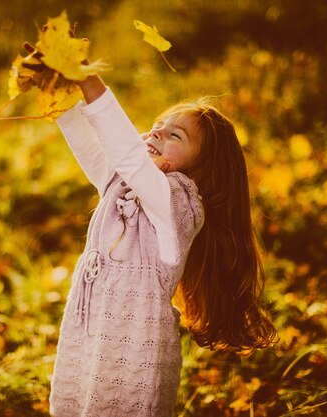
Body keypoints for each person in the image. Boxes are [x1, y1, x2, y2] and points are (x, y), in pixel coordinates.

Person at [49, 61, 276, 417]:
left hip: (136, 356)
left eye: (174, 135)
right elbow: (89, 147)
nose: (156, 134)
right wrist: (55, 92)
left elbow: (130, 157)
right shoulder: (120, 182)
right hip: (92, 336)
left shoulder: (179, 206)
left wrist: (90, 83)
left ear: (201, 166)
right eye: (156, 127)